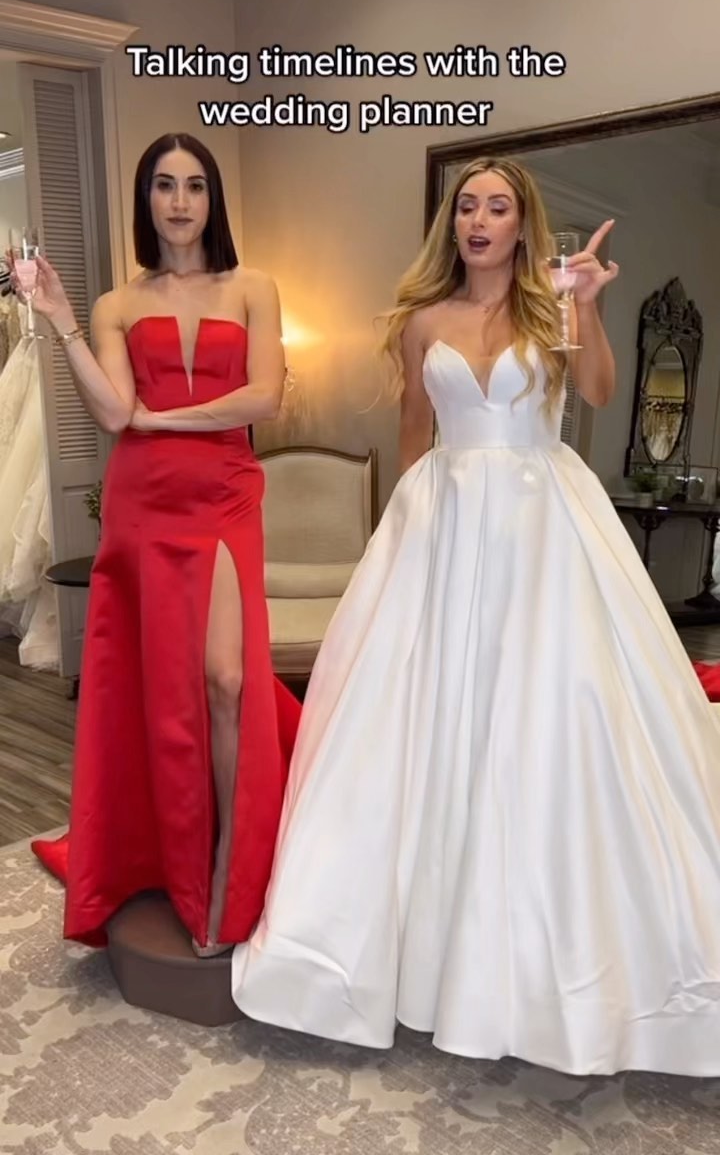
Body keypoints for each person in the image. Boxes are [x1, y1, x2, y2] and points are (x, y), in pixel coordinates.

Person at [231, 157, 720, 1074]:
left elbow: (601, 392)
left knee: (553, 710)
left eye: (498, 207)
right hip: (444, 526)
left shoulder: (551, 310)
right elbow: (415, 437)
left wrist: (589, 307)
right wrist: (398, 549)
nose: (479, 220)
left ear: (523, 223)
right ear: (453, 224)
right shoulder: (423, 321)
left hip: (543, 528)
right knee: (423, 717)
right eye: (467, 207)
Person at [26, 132, 301, 956]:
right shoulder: (116, 303)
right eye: (163, 186)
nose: (179, 202)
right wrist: (64, 322)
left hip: (223, 494)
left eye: (194, 186)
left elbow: (265, 397)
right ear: (146, 200)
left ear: (214, 200)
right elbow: (115, 413)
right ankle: (174, 864)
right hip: (144, 502)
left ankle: (228, 868)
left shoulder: (253, 287)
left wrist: (163, 418)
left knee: (226, 678)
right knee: (161, 690)